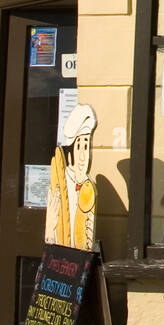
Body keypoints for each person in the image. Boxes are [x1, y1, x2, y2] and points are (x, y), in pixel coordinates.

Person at [45, 103, 97, 250]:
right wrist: (50, 229)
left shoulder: (89, 188)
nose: (82, 156)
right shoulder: (60, 185)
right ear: (70, 153)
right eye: (78, 146)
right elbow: (50, 237)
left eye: (86, 146)